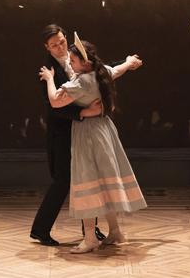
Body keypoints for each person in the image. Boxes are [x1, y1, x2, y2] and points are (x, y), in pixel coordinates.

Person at [39, 33, 146, 253]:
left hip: (88, 135)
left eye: (73, 59)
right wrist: (129, 61)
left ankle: (90, 238)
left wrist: (50, 79)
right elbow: (118, 69)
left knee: (88, 181)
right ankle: (115, 231)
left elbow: (54, 102)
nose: (70, 61)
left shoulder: (82, 82)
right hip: (105, 130)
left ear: (84, 62)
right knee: (105, 180)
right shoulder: (102, 72)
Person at [30, 25, 104, 247]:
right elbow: (55, 107)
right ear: (47, 47)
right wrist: (83, 113)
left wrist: (127, 63)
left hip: (83, 131)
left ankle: (90, 231)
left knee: (88, 179)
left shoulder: (76, 55)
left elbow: (102, 69)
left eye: (62, 41)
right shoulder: (47, 70)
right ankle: (40, 230)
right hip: (63, 132)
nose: (60, 47)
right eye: (54, 44)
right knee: (63, 181)